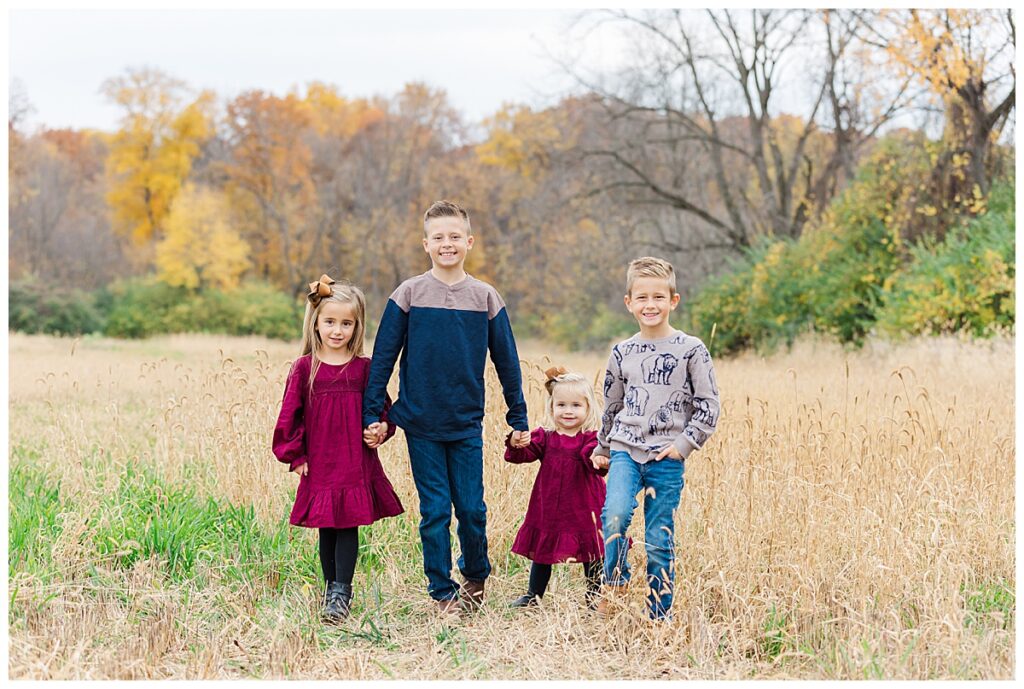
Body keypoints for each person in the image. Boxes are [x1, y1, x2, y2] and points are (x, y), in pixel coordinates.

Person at [362, 200, 530, 614]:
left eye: (455, 236)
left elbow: (506, 360)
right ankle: (441, 590)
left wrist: (518, 415)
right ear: (426, 244)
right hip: (421, 422)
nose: (447, 243)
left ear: (469, 242)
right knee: (435, 510)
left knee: (472, 508)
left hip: (466, 423)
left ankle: (475, 574)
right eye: (438, 237)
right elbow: (383, 356)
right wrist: (372, 413)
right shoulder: (409, 294)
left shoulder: (485, 297)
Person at [591, 257, 720, 620]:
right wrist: (602, 447)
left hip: (665, 458)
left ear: (673, 300)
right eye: (642, 298)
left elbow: (709, 405)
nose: (651, 305)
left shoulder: (691, 349)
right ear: (629, 302)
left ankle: (658, 615)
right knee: (614, 515)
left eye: (659, 297)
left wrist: (684, 446)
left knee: (659, 538)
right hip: (624, 452)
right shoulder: (622, 352)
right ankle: (615, 581)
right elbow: (612, 404)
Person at [273, 274, 404, 623]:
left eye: (346, 323)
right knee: (326, 527)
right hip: (319, 461)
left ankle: (341, 592)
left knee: (347, 526)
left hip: (354, 461)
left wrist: (381, 429)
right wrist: (295, 455)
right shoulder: (305, 368)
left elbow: (383, 409)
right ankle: (331, 587)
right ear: (315, 323)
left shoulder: (365, 369)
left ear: (357, 326)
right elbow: (290, 416)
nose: (337, 330)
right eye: (330, 321)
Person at [505, 366, 607, 610]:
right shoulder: (545, 436)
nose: (568, 411)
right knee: (543, 551)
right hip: (549, 504)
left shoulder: (591, 439)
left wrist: (599, 459)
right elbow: (523, 455)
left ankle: (593, 596)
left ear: (588, 408)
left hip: (585, 506)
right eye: (561, 405)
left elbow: (593, 460)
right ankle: (533, 595)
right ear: (552, 408)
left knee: (592, 552)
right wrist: (516, 442)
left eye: (575, 405)